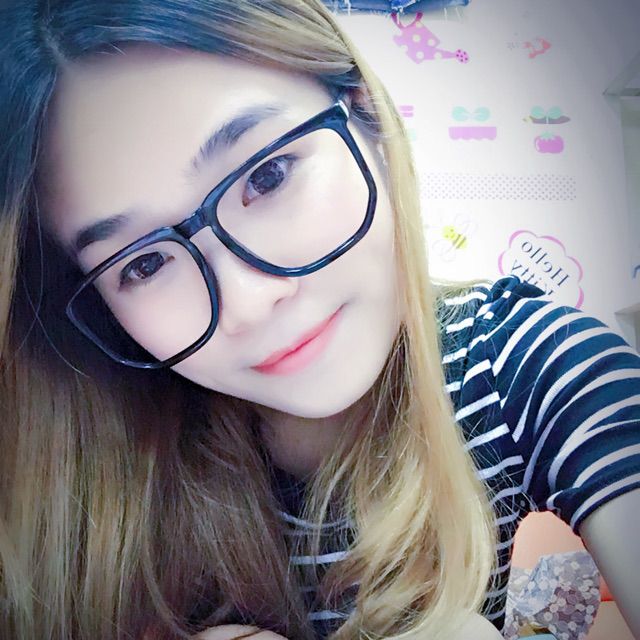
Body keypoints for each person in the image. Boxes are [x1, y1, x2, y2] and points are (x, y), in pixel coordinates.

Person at [0, 1, 638, 639]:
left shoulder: (528, 364)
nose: (248, 301)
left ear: (365, 113)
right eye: (143, 264)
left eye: (267, 176)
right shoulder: (91, 459)